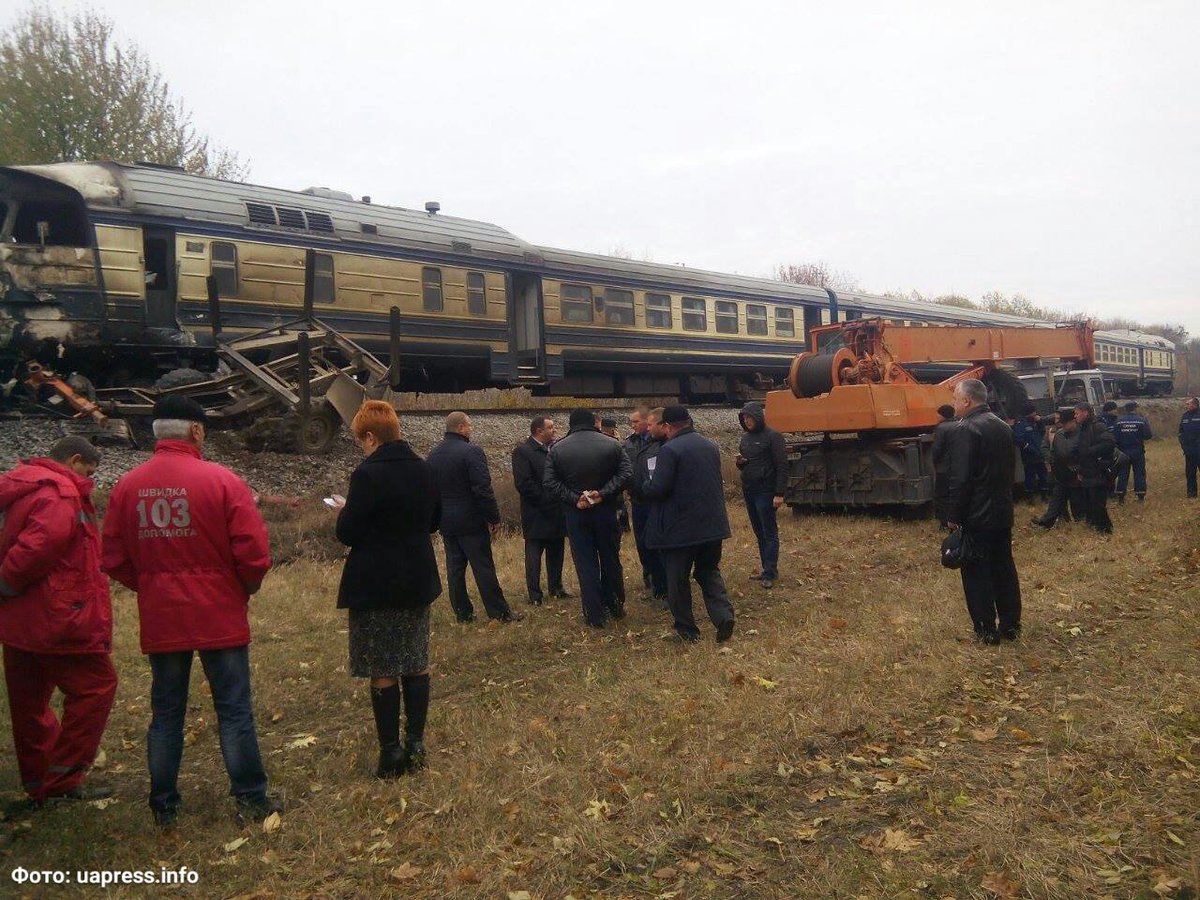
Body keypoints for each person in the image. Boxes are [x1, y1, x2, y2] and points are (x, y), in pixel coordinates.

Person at [101, 396, 278, 827]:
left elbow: (113, 556)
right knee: (234, 709)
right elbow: (254, 553)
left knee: (166, 713)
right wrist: (243, 589)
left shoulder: (127, 487)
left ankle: (164, 804)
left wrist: (148, 587)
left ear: (157, 432)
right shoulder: (222, 481)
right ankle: (252, 799)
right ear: (196, 432)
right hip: (219, 614)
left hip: (163, 617)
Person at [0, 437, 116, 811]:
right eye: (90, 472)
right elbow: (39, 546)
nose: (91, 481)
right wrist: (5, 581)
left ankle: (37, 781)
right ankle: (63, 779)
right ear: (75, 460)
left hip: (18, 621)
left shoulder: (18, 483)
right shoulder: (61, 493)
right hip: (60, 617)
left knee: (29, 702)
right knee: (97, 686)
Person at [332, 402, 441, 779]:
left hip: (375, 582)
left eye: (361, 440)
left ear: (370, 437)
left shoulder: (366, 475)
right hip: (416, 577)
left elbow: (347, 532)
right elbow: (433, 522)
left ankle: (391, 754)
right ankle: (416, 743)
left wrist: (346, 511)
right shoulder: (425, 470)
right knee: (415, 660)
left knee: (382, 666)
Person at [642, 406, 735, 643]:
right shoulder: (709, 445)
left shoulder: (670, 450)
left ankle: (686, 630)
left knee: (677, 579)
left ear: (668, 426)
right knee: (708, 571)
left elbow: (659, 488)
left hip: (679, 529)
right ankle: (723, 616)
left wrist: (644, 486)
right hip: (712, 525)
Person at [945, 378, 1020, 645]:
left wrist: (953, 516)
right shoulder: (1002, 426)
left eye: (955, 398)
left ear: (967, 401)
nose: (953, 403)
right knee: (1004, 568)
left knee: (976, 573)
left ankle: (986, 630)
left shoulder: (966, 429)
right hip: (1001, 510)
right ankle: (1011, 625)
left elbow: (962, 478)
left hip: (977, 515)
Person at [426, 411, 520, 623]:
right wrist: (493, 517)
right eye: (469, 425)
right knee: (483, 566)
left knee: (455, 568)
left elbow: (430, 490)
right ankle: (499, 612)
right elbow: (482, 489)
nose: (471, 429)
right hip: (470, 520)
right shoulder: (471, 452)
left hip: (446, 521)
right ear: (460, 427)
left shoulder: (434, 454)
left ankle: (463, 613)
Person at [544, 408, 631, 628]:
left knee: (586, 563)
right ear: (594, 423)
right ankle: (615, 605)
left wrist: (576, 499)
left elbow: (550, 483)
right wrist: (603, 493)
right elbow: (626, 474)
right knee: (610, 558)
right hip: (606, 511)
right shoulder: (612, 444)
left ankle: (594, 615)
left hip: (576, 514)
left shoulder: (557, 449)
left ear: (571, 424)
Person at [512, 416, 569, 606]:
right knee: (534, 555)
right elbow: (524, 483)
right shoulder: (523, 451)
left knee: (556, 551)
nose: (555, 430)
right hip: (536, 513)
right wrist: (545, 500)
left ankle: (556, 587)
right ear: (539, 431)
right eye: (551, 427)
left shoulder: (555, 449)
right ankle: (535, 594)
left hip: (556, 512)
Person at [736, 401, 787, 588]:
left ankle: (770, 572)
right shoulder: (745, 438)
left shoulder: (773, 437)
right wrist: (740, 463)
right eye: (744, 418)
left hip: (766, 491)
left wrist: (779, 493)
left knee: (769, 531)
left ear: (758, 417)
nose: (747, 421)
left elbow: (782, 465)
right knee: (759, 531)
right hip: (749, 489)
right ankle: (766, 567)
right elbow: (747, 462)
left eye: (749, 418)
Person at [624, 407, 667, 606]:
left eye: (636, 422)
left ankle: (663, 586)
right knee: (643, 543)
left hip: (654, 501)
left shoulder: (659, 443)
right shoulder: (630, 443)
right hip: (638, 500)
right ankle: (652, 581)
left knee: (657, 544)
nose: (633, 426)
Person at [1071, 402, 1118, 533]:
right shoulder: (1081, 429)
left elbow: (1109, 442)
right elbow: (1080, 451)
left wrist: (1090, 451)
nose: (1075, 416)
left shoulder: (1098, 426)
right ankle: (1094, 526)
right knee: (1089, 502)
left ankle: (1104, 529)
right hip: (1086, 472)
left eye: (1077, 413)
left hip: (1098, 471)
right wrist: (1079, 469)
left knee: (1098, 503)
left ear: (1085, 413)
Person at [1033, 410, 1084, 527]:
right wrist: (1052, 461)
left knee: (1076, 500)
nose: (1062, 425)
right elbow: (1051, 450)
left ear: (1073, 421)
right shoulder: (1058, 434)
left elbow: (1082, 454)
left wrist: (1078, 469)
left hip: (1075, 473)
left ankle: (1080, 521)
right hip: (1061, 473)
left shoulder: (1082, 433)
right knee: (1056, 499)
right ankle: (1046, 522)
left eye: (1065, 423)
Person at [1113, 400, 1152, 502]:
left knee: (1123, 473)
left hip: (1123, 452)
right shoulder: (1141, 420)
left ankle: (1121, 496)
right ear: (1135, 408)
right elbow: (1148, 436)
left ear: (1125, 409)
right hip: (1137, 451)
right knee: (1139, 473)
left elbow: (1114, 438)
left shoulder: (1118, 421)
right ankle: (1140, 496)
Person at [1011, 403, 1048, 501]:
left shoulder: (1036, 422)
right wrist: (1028, 448)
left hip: (1039, 454)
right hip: (1029, 456)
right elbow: (1018, 439)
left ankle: (1044, 495)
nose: (1036, 414)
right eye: (1034, 412)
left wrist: (1040, 422)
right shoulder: (1021, 424)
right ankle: (1030, 498)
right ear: (1029, 413)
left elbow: (1042, 432)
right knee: (1030, 477)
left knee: (1043, 475)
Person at [930, 404, 957, 527]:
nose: (936, 416)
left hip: (944, 468)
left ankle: (944, 522)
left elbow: (937, 449)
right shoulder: (960, 425)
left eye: (938, 413)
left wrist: (934, 462)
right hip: (958, 467)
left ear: (943, 415)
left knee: (942, 496)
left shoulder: (941, 428)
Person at [1179, 397, 1200, 498]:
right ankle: (1191, 493)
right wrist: (1183, 445)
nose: (1186, 406)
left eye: (1188, 404)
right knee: (1190, 473)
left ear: (1194, 405)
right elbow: (1181, 432)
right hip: (1189, 450)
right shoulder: (1185, 416)